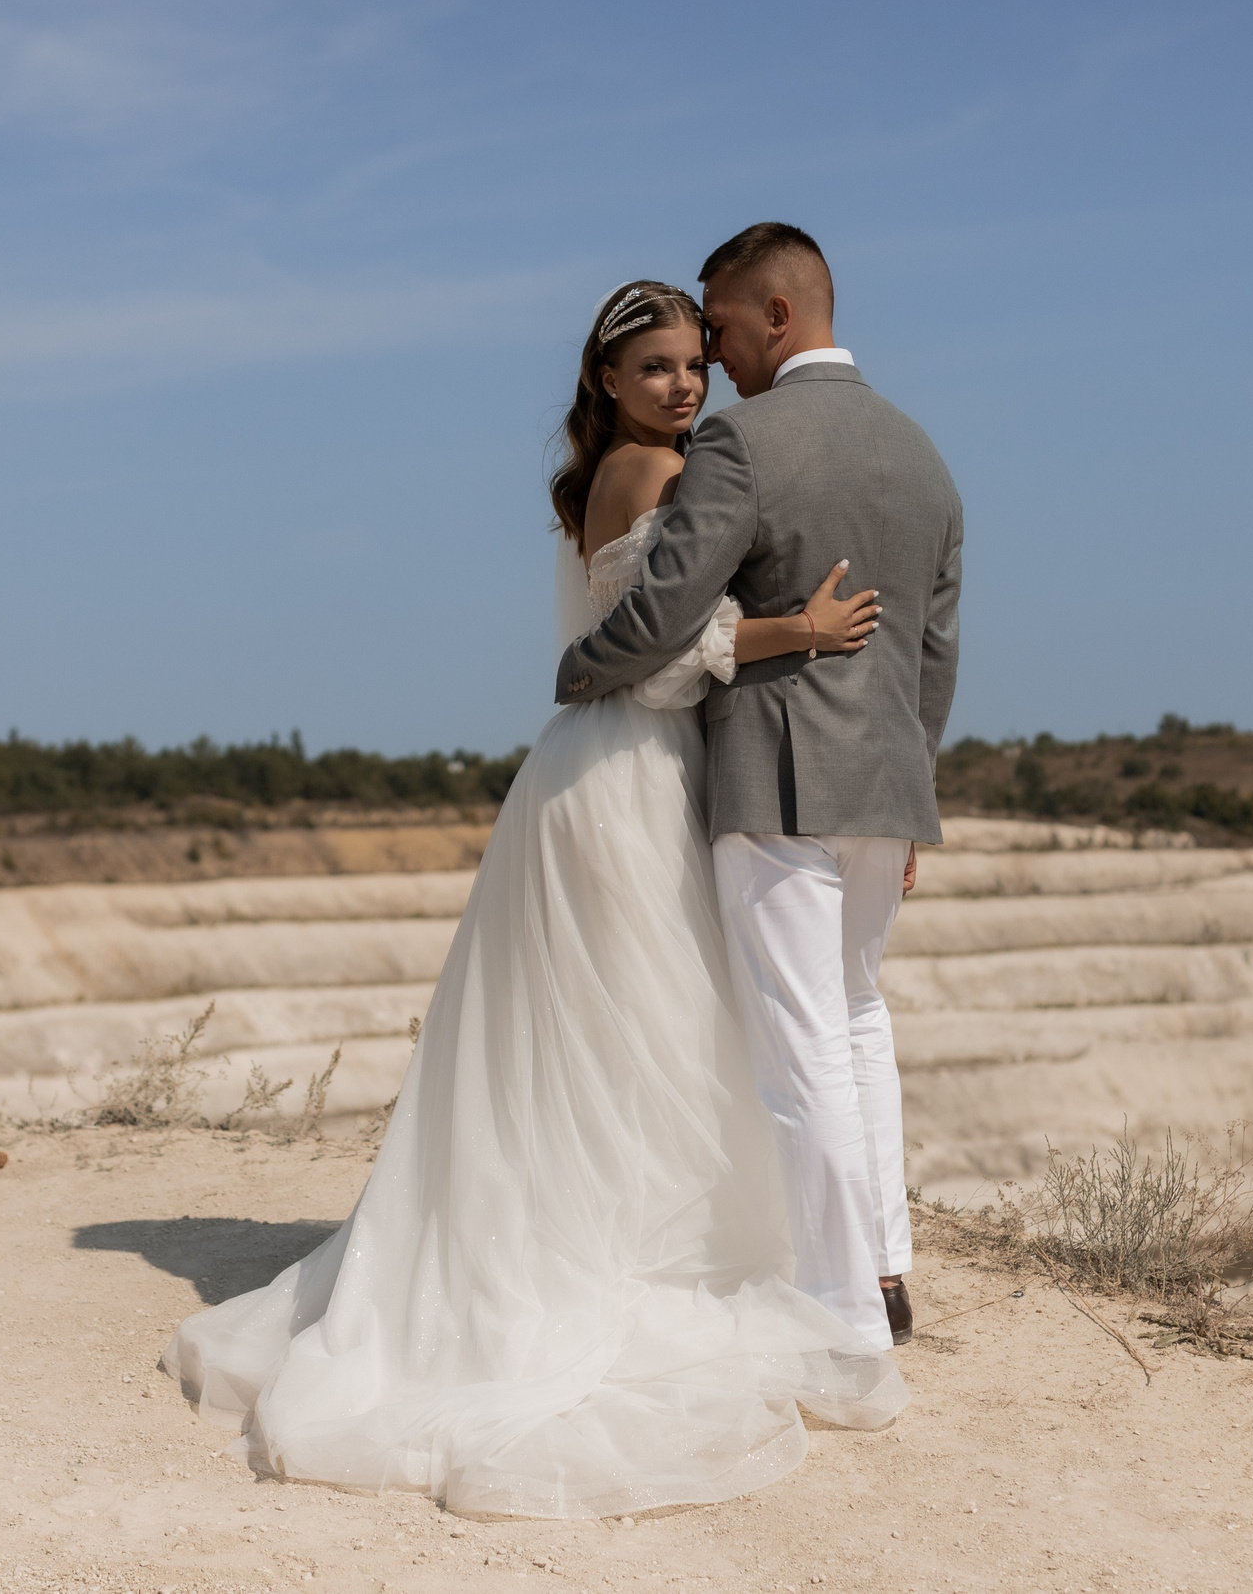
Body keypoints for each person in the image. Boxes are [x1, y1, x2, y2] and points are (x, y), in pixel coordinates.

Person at [163, 277, 906, 1520]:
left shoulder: (605, 476)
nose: (683, 385)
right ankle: (623, 1268)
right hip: (626, 771)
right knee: (644, 1037)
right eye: (657, 367)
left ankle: (588, 1245)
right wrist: (801, 630)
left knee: (604, 1043)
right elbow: (666, 658)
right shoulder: (650, 477)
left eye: (692, 365)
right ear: (608, 380)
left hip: (591, 774)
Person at [556, 223, 963, 1354]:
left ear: (775, 317)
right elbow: (933, 651)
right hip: (883, 787)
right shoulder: (922, 451)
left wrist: (580, 667)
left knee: (800, 1050)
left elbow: (664, 611)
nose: (714, 360)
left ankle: (840, 1311)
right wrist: (907, 786)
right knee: (860, 1018)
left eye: (722, 329)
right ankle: (885, 1270)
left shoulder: (741, 441)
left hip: (775, 779)